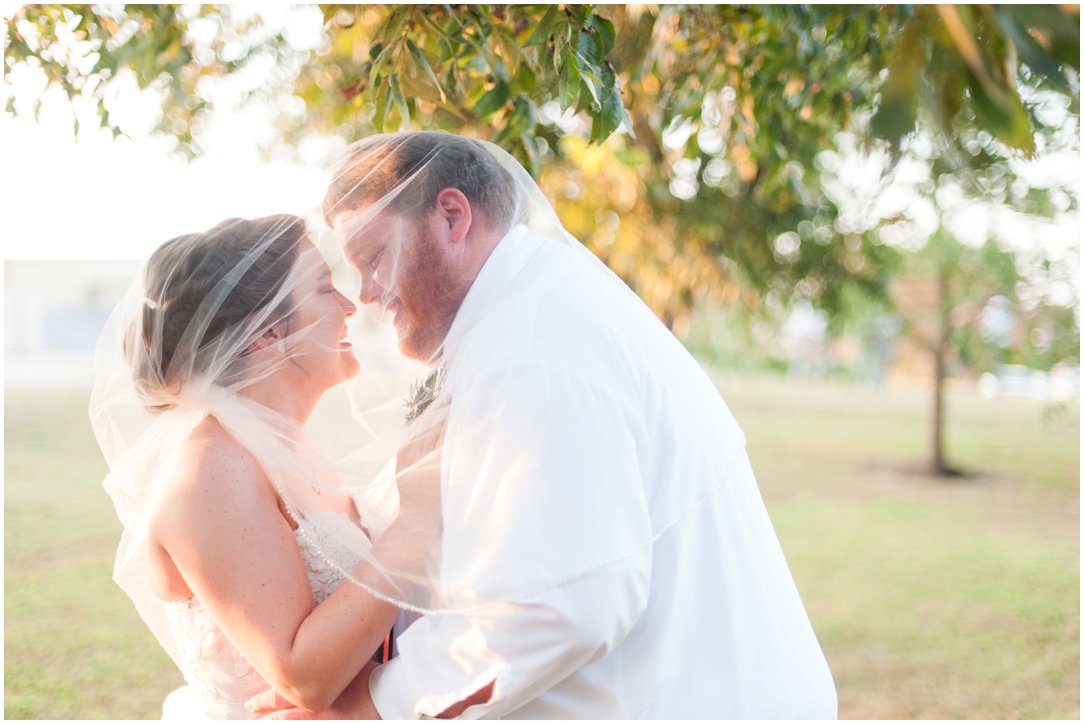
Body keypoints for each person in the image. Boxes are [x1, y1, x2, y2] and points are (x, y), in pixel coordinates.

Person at [250, 131, 838, 719]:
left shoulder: (532, 350)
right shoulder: (534, 309)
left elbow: (560, 606)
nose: (369, 295)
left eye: (375, 259)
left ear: (452, 216)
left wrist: (372, 708)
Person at [90, 214, 438, 720]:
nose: (349, 305)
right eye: (324, 289)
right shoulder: (211, 471)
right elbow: (303, 677)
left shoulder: (285, 448)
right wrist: (418, 524)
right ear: (265, 332)